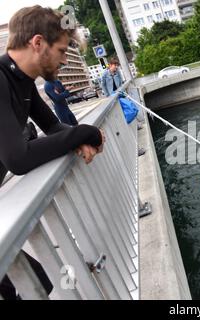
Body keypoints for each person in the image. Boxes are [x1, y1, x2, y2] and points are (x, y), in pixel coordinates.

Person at [0, 5, 105, 299]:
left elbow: (53, 127)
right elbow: (17, 158)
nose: (64, 59)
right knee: (34, 284)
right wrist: (85, 133)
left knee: (37, 284)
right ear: (37, 43)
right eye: (61, 50)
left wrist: (78, 139)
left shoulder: (21, 82)